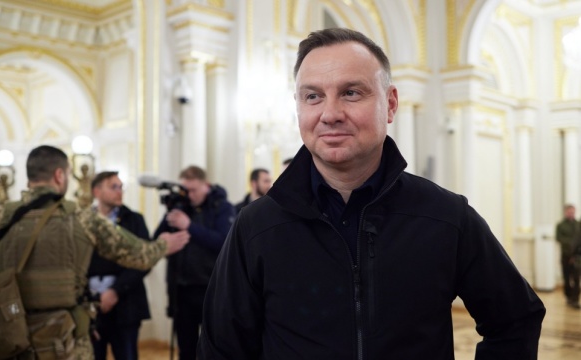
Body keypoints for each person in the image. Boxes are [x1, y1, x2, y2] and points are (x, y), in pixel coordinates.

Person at [197, 28, 545, 359]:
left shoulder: (446, 216)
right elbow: (221, 349)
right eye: (313, 96)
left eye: (351, 92)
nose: (330, 114)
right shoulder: (256, 226)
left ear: (390, 104)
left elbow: (515, 319)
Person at [0, 145, 189, 359]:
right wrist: (165, 244)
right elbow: (140, 256)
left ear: (29, 177)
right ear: (59, 175)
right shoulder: (83, 219)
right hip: (64, 343)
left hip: (6, 338)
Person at [152, 165, 235, 360]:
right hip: (181, 289)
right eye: (184, 190)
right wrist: (170, 213)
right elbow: (157, 240)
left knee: (215, 348)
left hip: (212, 289)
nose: (188, 195)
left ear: (206, 185)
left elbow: (224, 242)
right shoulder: (181, 207)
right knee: (186, 348)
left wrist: (189, 226)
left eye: (193, 190)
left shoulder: (222, 207)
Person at [88, 171, 153, 360]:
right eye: (113, 187)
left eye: (120, 187)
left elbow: (144, 260)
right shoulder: (82, 220)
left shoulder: (134, 219)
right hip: (91, 305)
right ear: (96, 191)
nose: (119, 191)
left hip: (126, 303)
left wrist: (115, 291)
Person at [555, 204, 580, 309]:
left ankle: (575, 299)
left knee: (576, 278)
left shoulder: (579, 224)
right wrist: (570, 245)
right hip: (565, 255)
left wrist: (575, 253)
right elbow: (559, 238)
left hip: (577, 256)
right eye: (569, 212)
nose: (571, 214)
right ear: (565, 212)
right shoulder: (560, 225)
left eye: (573, 212)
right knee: (566, 278)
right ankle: (569, 296)